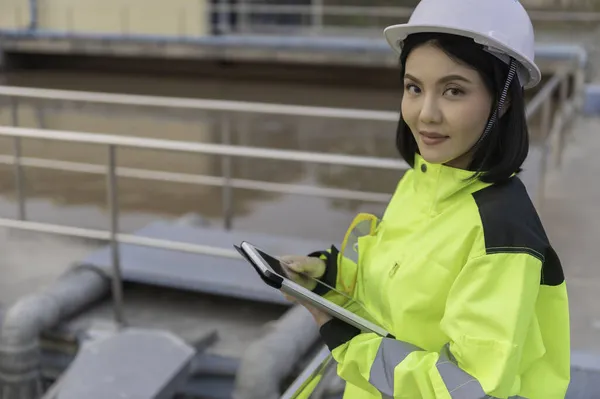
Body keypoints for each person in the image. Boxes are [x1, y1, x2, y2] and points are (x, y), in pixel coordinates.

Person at [280, 0, 570, 398]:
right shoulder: (421, 182)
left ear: (503, 101)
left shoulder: (502, 231)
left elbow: (468, 388)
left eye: (453, 90)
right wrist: (332, 279)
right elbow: (402, 298)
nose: (425, 114)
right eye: (414, 87)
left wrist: (347, 341)